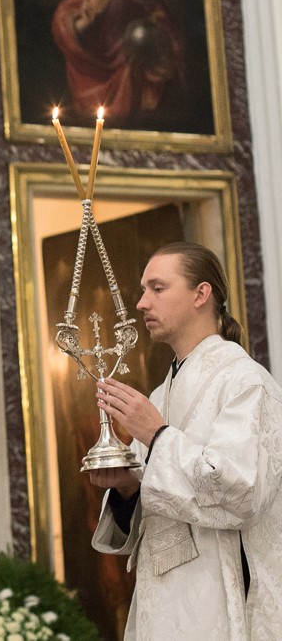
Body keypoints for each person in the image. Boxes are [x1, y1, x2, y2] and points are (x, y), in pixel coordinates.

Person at [89, 241, 282, 639]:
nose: (142, 303)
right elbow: (153, 517)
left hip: (220, 599)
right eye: (143, 290)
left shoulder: (245, 381)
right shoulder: (160, 396)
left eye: (157, 288)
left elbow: (243, 492)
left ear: (200, 294)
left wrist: (157, 436)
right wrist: (127, 489)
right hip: (161, 603)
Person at [51, 0, 183, 122]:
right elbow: (64, 25)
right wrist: (82, 24)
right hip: (98, 65)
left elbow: (165, 24)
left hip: (136, 61)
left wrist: (158, 22)